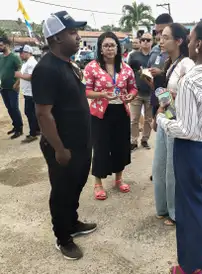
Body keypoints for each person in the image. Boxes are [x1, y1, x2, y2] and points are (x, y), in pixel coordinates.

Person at [157, 12, 202, 273]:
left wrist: (162, 121)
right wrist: (170, 106)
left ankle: (189, 267)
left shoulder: (190, 79)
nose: (188, 43)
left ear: (198, 44)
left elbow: (185, 128)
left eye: (190, 39)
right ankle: (200, 257)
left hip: (192, 150)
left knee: (189, 209)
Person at [31, 11, 97, 260]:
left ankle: (72, 222)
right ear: (56, 37)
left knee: (76, 184)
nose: (78, 37)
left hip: (79, 143)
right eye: (72, 32)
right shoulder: (46, 69)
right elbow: (43, 114)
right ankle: (63, 237)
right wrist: (59, 149)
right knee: (62, 190)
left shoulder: (68, 63)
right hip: (63, 146)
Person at [149, 23, 195, 227]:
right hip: (166, 117)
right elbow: (167, 96)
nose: (161, 40)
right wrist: (159, 108)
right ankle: (163, 207)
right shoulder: (170, 63)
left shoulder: (187, 65)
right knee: (159, 166)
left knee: (172, 169)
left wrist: (168, 100)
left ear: (178, 41)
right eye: (160, 36)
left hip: (177, 122)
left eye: (166, 37)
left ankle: (175, 212)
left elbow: (187, 99)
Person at [84, 32, 137, 200]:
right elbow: (86, 91)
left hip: (121, 111)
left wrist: (131, 96)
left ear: (117, 48)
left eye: (112, 45)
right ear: (100, 49)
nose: (109, 48)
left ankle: (119, 179)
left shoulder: (126, 67)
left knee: (120, 146)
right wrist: (102, 95)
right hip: (101, 114)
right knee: (100, 147)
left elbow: (133, 88)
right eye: (106, 45)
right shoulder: (92, 67)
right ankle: (98, 183)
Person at [147, 13, 173, 182]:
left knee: (171, 133)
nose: (159, 38)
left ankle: (167, 170)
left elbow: (172, 82)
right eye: (157, 33)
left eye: (163, 33)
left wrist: (162, 74)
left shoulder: (181, 57)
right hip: (158, 98)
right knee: (160, 134)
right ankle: (160, 168)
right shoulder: (156, 51)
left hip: (170, 103)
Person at [128, 32, 153, 150]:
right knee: (134, 119)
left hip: (150, 93)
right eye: (143, 40)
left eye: (148, 40)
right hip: (136, 92)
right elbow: (128, 72)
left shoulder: (155, 56)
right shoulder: (133, 56)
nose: (145, 42)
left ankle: (145, 140)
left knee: (148, 119)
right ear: (140, 41)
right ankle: (133, 141)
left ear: (152, 42)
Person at [15, 45, 40, 143]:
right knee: (32, 112)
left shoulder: (32, 63)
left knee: (30, 113)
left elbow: (31, 77)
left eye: (21, 53)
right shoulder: (27, 63)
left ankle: (33, 133)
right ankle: (37, 129)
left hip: (31, 92)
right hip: (28, 92)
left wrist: (19, 75)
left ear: (27, 53)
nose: (20, 55)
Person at [0, 36, 23, 139]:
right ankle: (15, 126)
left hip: (13, 87)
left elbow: (20, 71)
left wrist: (17, 83)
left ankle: (19, 129)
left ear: (7, 45)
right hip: (3, 87)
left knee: (14, 107)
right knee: (9, 108)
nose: (0, 47)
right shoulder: (1, 57)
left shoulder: (14, 57)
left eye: (1, 45)